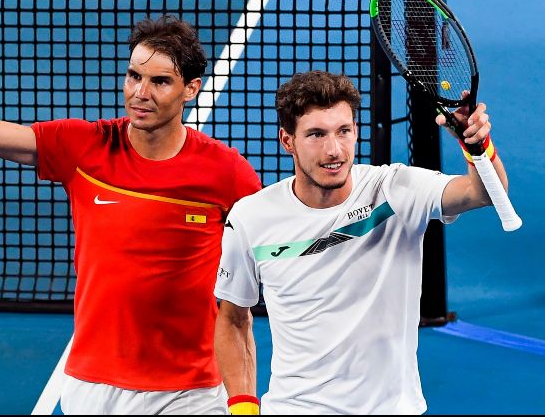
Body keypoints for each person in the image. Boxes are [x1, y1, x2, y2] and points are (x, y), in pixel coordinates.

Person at [0, 14, 262, 415]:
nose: (140, 93)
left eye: (160, 82)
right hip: (94, 386)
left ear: (191, 89)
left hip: (192, 391)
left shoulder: (226, 174)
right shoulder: (84, 147)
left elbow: (257, 278)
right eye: (133, 76)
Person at [213, 70, 511, 415]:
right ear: (287, 140)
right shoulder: (251, 217)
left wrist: (477, 147)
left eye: (344, 131)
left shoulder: (395, 191)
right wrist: (243, 407)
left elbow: (485, 193)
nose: (334, 150)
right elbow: (233, 318)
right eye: (316, 134)